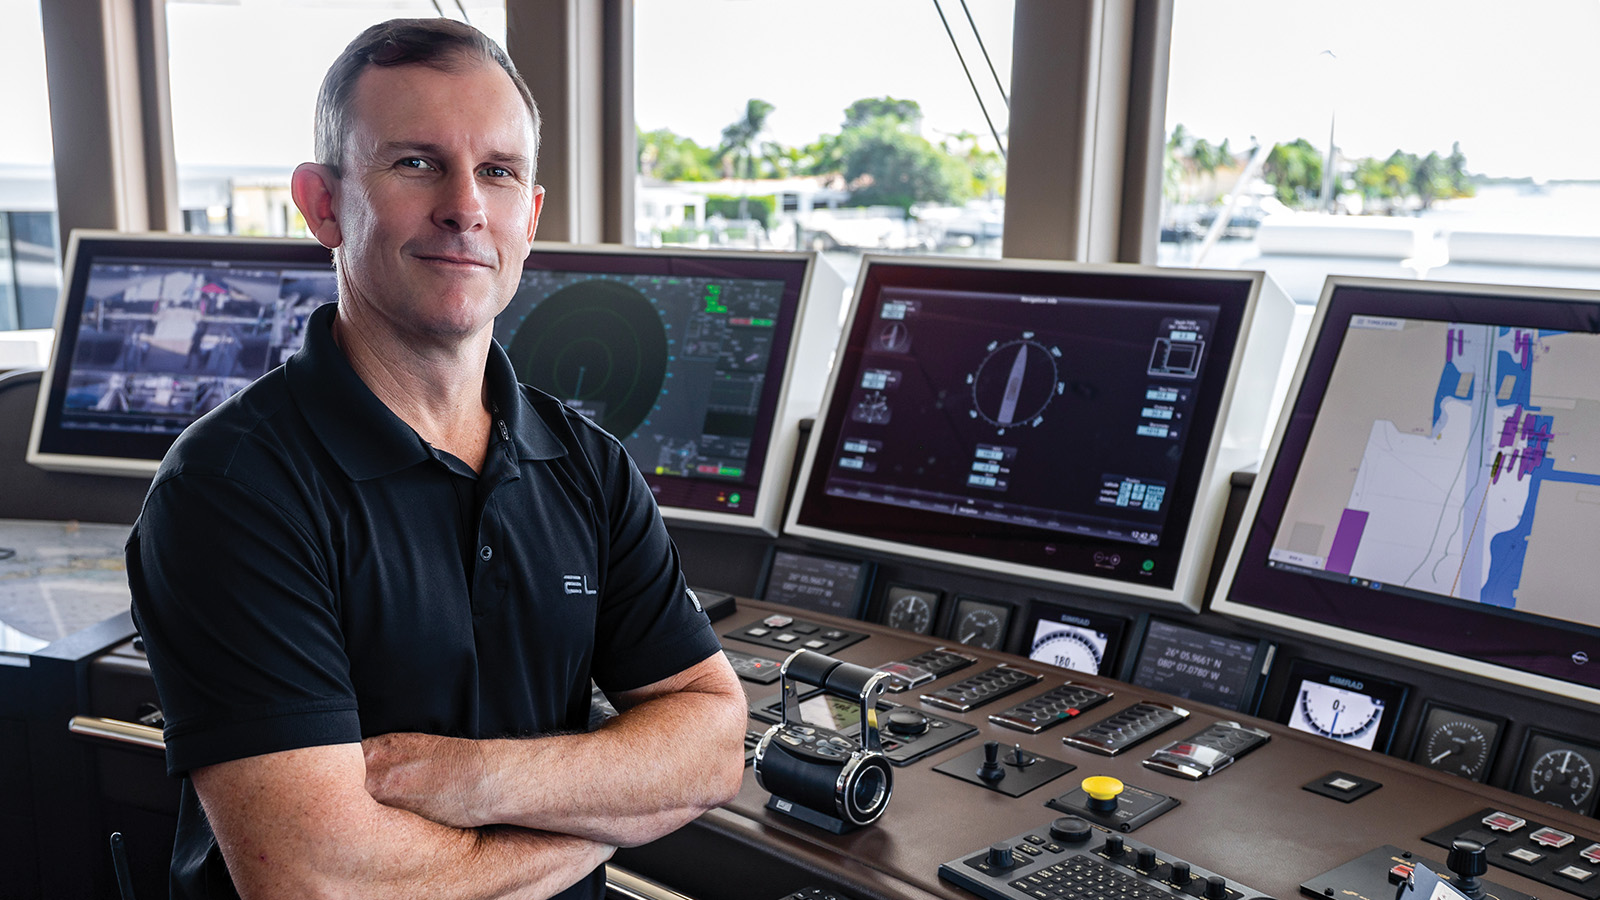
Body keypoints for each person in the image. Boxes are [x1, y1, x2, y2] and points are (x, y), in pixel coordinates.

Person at [126, 18, 748, 900]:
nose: (466, 207)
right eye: (416, 162)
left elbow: (713, 739)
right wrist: (604, 825)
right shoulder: (231, 492)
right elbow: (318, 882)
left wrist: (472, 778)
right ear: (323, 204)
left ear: (528, 219)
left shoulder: (589, 467)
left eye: (498, 172)